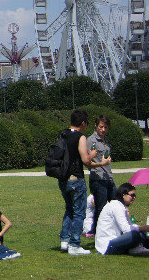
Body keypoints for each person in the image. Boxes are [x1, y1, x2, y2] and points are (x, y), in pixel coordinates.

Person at [57, 109, 99, 255]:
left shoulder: (63, 134)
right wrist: (92, 154)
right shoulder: (80, 137)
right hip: (75, 178)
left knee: (69, 209)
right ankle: (74, 244)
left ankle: (65, 240)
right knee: (79, 212)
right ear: (82, 123)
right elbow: (85, 160)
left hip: (62, 179)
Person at [94, 183, 149, 256]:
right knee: (135, 235)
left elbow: (129, 225)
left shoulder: (120, 206)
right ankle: (135, 249)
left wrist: (142, 228)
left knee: (142, 234)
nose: (134, 198)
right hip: (107, 245)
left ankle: (136, 247)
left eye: (134, 196)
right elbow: (126, 229)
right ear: (123, 195)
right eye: (132, 195)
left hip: (115, 240)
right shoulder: (116, 206)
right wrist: (141, 228)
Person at [87, 114, 115, 235]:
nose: (103, 130)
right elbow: (88, 162)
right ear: (96, 126)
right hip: (98, 178)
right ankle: (97, 232)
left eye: (105, 127)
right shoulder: (91, 140)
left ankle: (110, 229)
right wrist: (102, 163)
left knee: (115, 203)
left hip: (108, 176)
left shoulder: (105, 140)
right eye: (101, 127)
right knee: (101, 207)